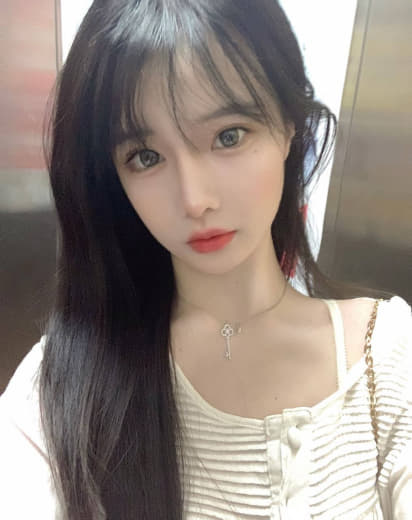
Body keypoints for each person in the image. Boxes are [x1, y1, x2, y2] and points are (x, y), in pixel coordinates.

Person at [0, 0, 411, 518]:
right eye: (146, 157)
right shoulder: (61, 385)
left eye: (228, 136)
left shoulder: (386, 355)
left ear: (288, 125)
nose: (194, 200)